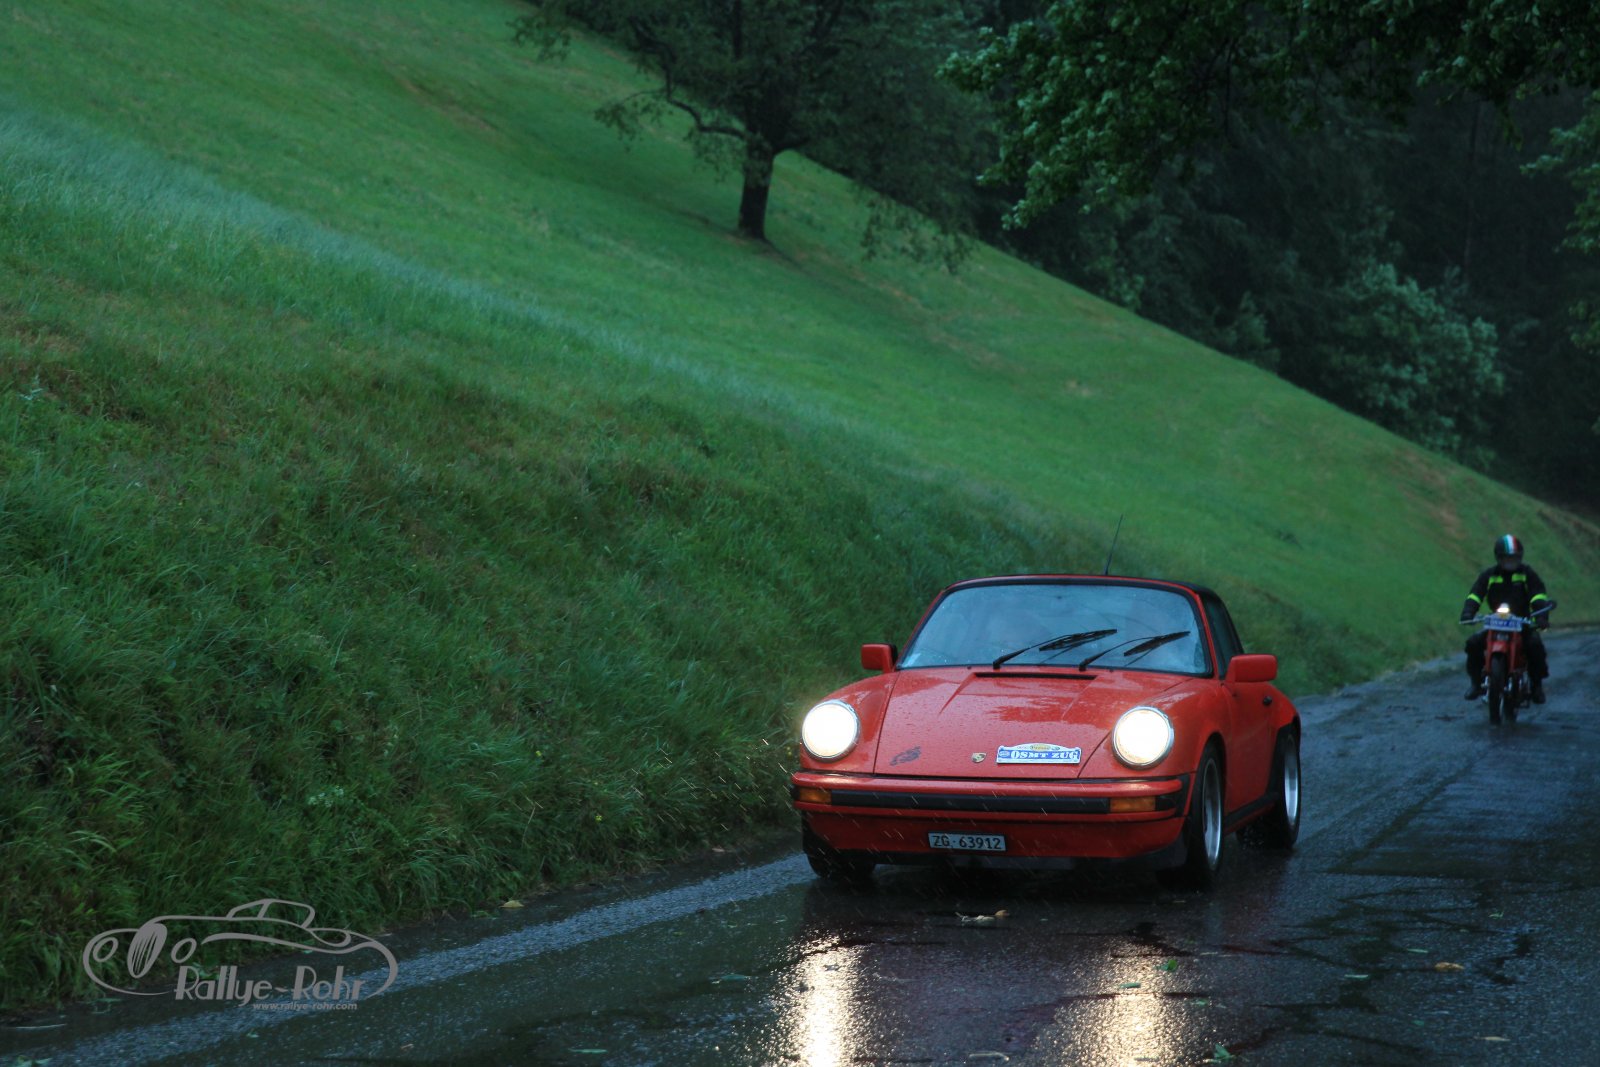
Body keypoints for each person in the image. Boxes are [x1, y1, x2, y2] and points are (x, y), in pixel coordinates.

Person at [1460, 534, 1555, 703]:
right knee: (1473, 644)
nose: (1510, 561)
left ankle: (1537, 686)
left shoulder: (1527, 574)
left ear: (1520, 557)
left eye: (1514, 558)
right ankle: (1475, 683)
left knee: (1535, 646)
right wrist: (1468, 612)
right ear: (1498, 558)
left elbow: (1538, 595)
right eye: (1506, 558)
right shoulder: (1489, 575)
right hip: (1496, 622)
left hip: (1522, 622)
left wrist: (1541, 616)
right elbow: (1476, 594)